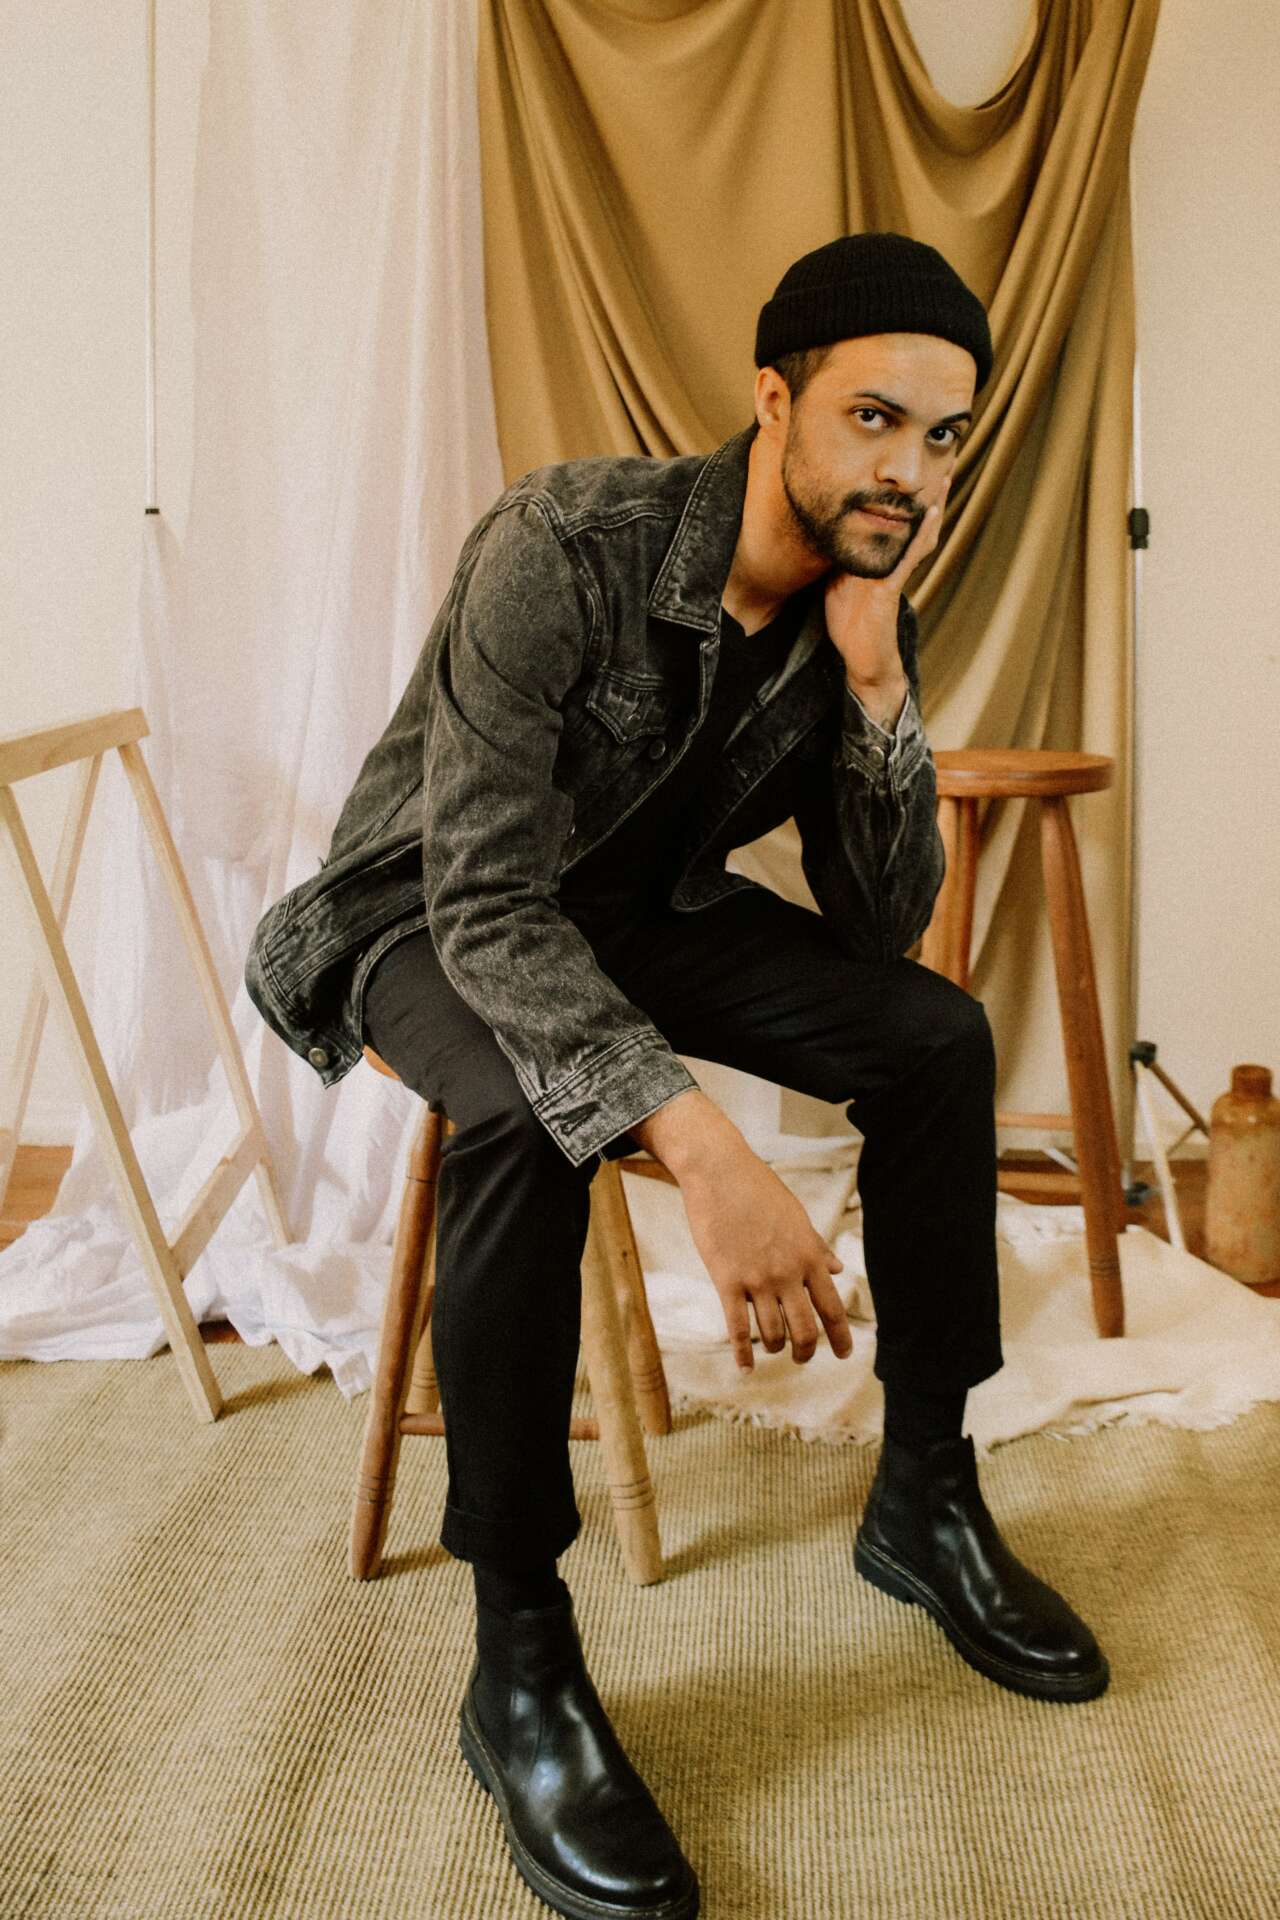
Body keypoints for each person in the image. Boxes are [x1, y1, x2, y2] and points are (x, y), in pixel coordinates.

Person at [245, 232, 1110, 1920]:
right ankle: (520, 1652)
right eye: (874, 419)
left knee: (934, 1037)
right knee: (524, 1117)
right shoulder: (565, 543)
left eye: (944, 437)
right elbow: (488, 900)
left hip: (639, 914)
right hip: (423, 913)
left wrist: (877, 684)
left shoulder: (863, 597)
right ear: (774, 400)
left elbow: (880, 924)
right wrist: (706, 1148)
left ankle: (926, 1493)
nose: (912, 472)